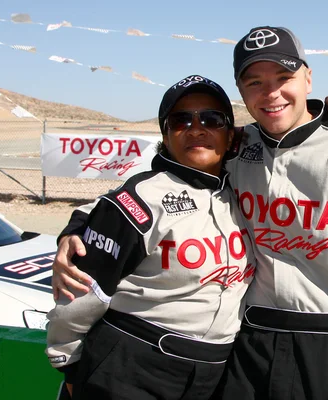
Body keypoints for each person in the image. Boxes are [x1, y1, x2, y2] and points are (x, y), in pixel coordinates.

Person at [51, 27, 328, 399]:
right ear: (241, 91)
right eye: (255, 82)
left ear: (308, 77)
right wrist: (78, 226)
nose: (271, 92)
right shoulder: (237, 146)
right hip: (246, 349)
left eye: (284, 78)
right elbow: (148, 191)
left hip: (327, 345)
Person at [45, 75, 257, 400]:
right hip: (131, 366)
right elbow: (78, 299)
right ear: (166, 135)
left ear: (230, 137)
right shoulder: (142, 198)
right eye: (180, 119)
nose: (196, 128)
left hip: (214, 373)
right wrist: (69, 365)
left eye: (212, 119)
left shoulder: (243, 191)